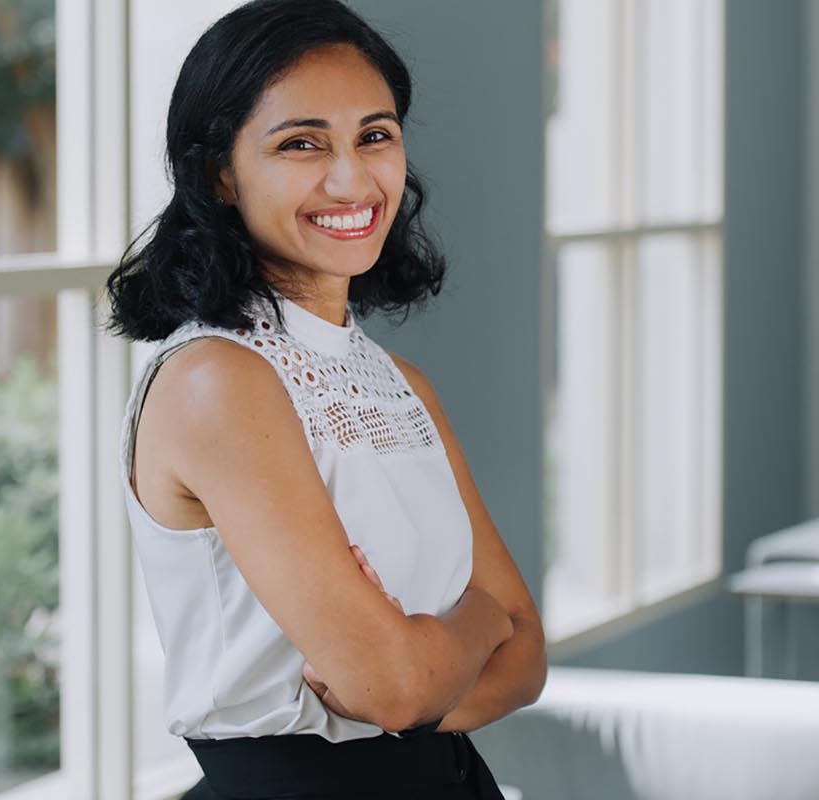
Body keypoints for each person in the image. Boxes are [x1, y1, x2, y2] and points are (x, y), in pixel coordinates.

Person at [105, 1, 546, 796]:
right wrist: (478, 621)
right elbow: (399, 686)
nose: (351, 179)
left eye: (374, 136)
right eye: (301, 143)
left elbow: (525, 663)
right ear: (219, 174)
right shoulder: (216, 381)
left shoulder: (401, 383)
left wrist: (421, 670)